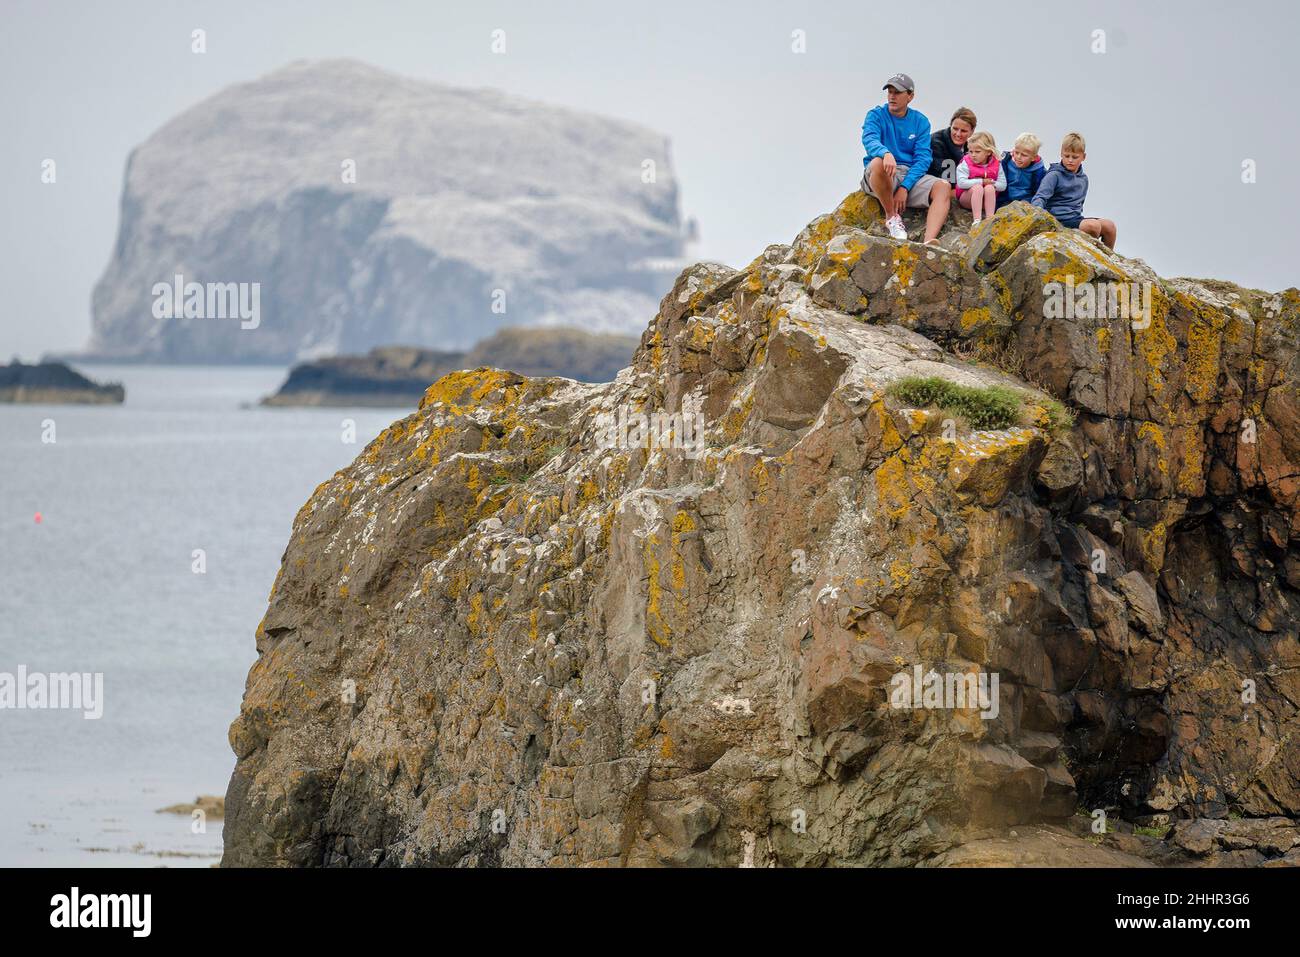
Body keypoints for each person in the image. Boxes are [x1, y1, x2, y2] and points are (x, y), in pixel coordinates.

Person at [860, 73, 952, 245]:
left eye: (898, 92)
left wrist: (905, 187)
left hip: (908, 176)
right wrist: (885, 153)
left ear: (910, 96)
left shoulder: (921, 121)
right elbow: (869, 139)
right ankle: (892, 218)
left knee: (943, 187)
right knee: (879, 162)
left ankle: (929, 243)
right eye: (890, 92)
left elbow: (923, 158)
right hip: (879, 173)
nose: (892, 96)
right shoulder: (875, 115)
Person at [1031, 132, 1118, 249]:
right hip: (1058, 219)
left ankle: (1108, 258)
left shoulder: (1083, 179)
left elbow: (1079, 205)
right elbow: (1040, 197)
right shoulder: (1054, 175)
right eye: (1067, 156)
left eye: (1075, 157)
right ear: (1061, 154)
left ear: (1083, 157)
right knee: (1093, 226)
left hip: (1075, 218)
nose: (1070, 160)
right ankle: (1088, 255)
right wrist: (1039, 217)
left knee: (1109, 226)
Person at [954, 131, 1005, 225]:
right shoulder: (966, 163)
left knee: (989, 188)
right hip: (967, 198)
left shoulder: (996, 164)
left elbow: (1003, 185)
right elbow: (961, 183)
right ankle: (977, 220)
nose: (973, 155)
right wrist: (981, 181)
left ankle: (990, 218)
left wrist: (991, 183)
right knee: (978, 188)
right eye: (970, 151)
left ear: (988, 152)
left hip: (985, 201)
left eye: (977, 152)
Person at [928, 107, 976, 186]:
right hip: (938, 187)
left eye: (963, 131)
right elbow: (943, 177)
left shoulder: (974, 145)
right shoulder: (935, 142)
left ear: (972, 131)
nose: (958, 134)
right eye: (955, 129)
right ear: (950, 125)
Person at [997, 133, 1047, 209]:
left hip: (1026, 201)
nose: (1018, 157)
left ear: (1033, 158)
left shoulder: (1038, 171)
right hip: (1005, 199)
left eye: (1024, 155)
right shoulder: (1005, 161)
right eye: (1016, 152)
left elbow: (1038, 192)